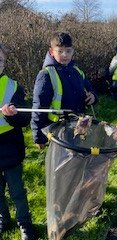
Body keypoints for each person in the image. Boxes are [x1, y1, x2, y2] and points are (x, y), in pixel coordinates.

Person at [31, 32, 97, 149]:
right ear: (51, 51)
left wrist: (93, 96)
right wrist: (38, 136)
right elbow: (39, 108)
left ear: (73, 51)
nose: (65, 55)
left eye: (68, 51)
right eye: (60, 51)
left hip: (80, 124)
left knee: (80, 157)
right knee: (62, 162)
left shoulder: (77, 71)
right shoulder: (46, 74)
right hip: (58, 128)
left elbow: (90, 88)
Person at [0, 44, 36, 239]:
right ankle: (3, 218)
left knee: (17, 191)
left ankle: (25, 223)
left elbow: (24, 119)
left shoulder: (14, 87)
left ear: (4, 63)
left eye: (0, 60)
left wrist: (12, 115)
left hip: (10, 147)